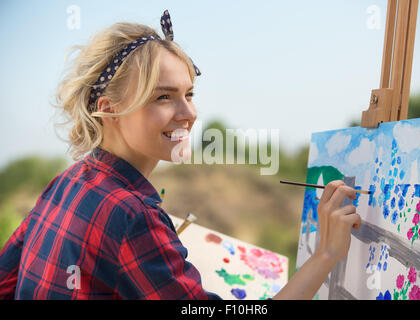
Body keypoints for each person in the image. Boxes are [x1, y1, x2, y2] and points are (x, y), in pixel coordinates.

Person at [0, 10, 361, 300]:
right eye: (163, 97)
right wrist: (326, 254)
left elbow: (6, 282)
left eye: (189, 93)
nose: (188, 114)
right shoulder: (133, 215)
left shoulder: (68, 181)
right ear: (108, 110)